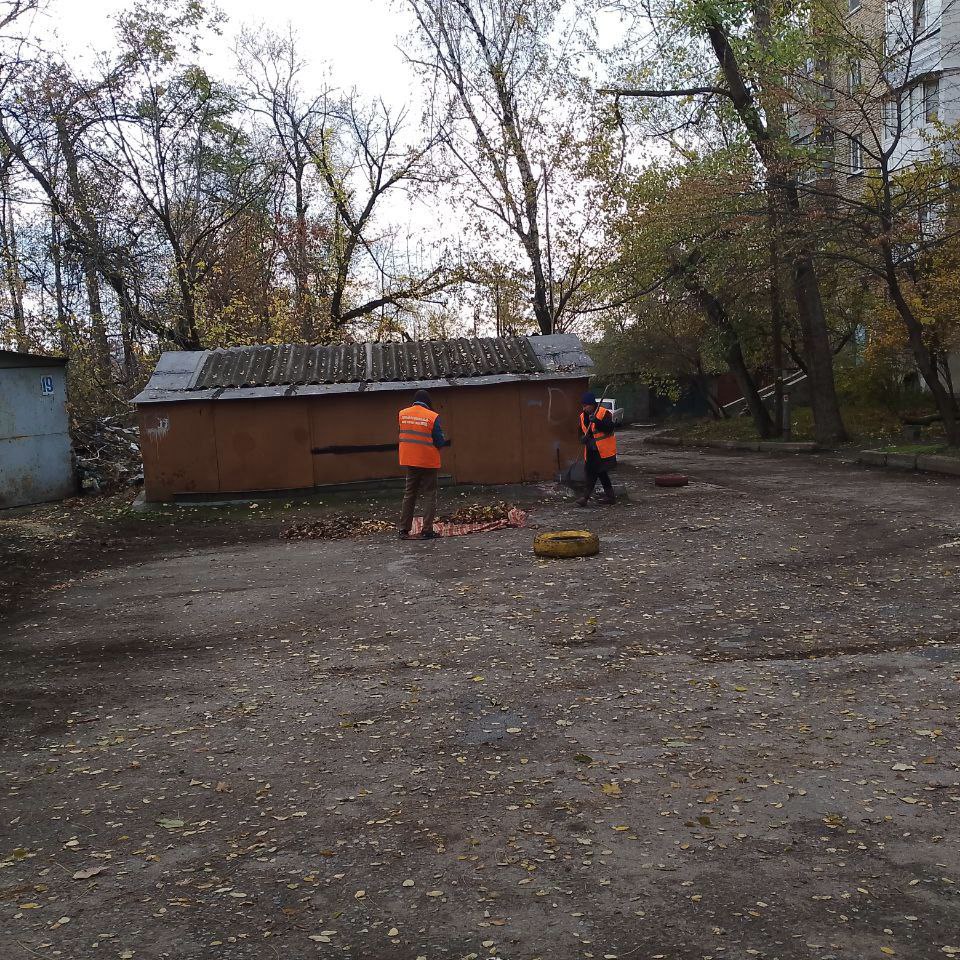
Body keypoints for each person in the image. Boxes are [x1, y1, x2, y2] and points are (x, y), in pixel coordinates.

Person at [397, 389, 451, 540]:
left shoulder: (402, 414)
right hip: (428, 461)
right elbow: (440, 440)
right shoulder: (432, 417)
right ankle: (427, 530)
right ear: (428, 402)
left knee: (410, 494)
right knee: (429, 494)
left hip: (410, 460)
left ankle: (403, 529)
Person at [577, 392, 617, 507]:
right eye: (583, 406)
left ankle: (585, 498)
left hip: (602, 450)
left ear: (592, 404)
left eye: (586, 406)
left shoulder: (603, 413)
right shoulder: (582, 416)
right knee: (599, 473)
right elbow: (581, 432)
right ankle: (610, 497)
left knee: (594, 473)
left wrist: (597, 421)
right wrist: (582, 439)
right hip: (590, 450)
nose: (584, 408)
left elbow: (609, 428)